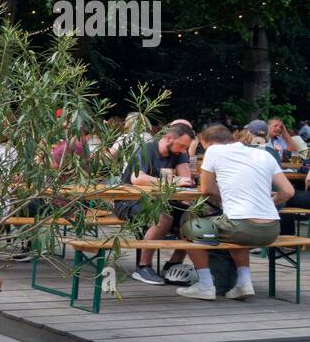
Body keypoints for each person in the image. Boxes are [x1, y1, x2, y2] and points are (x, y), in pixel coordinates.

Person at [176, 124, 294, 301]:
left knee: (190, 223)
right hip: (271, 229)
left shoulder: (214, 151)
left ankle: (205, 285)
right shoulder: (264, 154)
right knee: (235, 228)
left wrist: (226, 195)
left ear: (206, 143)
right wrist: (269, 202)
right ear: (231, 138)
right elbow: (288, 192)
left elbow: (206, 189)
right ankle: (243, 283)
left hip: (242, 226)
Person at [113, 121, 196, 285]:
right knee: (163, 217)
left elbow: (185, 180)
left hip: (162, 201)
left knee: (192, 218)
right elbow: (137, 178)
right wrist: (171, 182)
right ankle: (143, 267)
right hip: (129, 201)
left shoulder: (179, 153)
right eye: (182, 146)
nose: (184, 150)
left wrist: (186, 203)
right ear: (168, 138)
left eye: (186, 147)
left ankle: (173, 264)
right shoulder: (146, 149)